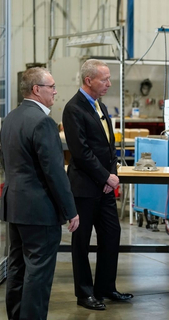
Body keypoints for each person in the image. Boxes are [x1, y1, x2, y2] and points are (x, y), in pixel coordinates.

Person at [0, 67, 79, 320]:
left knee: (17, 268)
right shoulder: (43, 122)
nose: (56, 91)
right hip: (40, 210)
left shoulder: (11, 117)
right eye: (52, 87)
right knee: (38, 273)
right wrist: (70, 210)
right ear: (37, 89)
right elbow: (54, 172)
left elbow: (7, 161)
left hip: (15, 205)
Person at [62, 59, 133, 311]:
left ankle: (105, 287)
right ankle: (84, 293)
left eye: (109, 78)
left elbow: (108, 148)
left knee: (111, 235)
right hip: (84, 188)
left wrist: (110, 175)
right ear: (88, 80)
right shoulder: (73, 109)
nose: (109, 83)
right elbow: (81, 152)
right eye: (104, 79)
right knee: (81, 242)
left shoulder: (99, 106)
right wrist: (106, 177)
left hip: (103, 186)